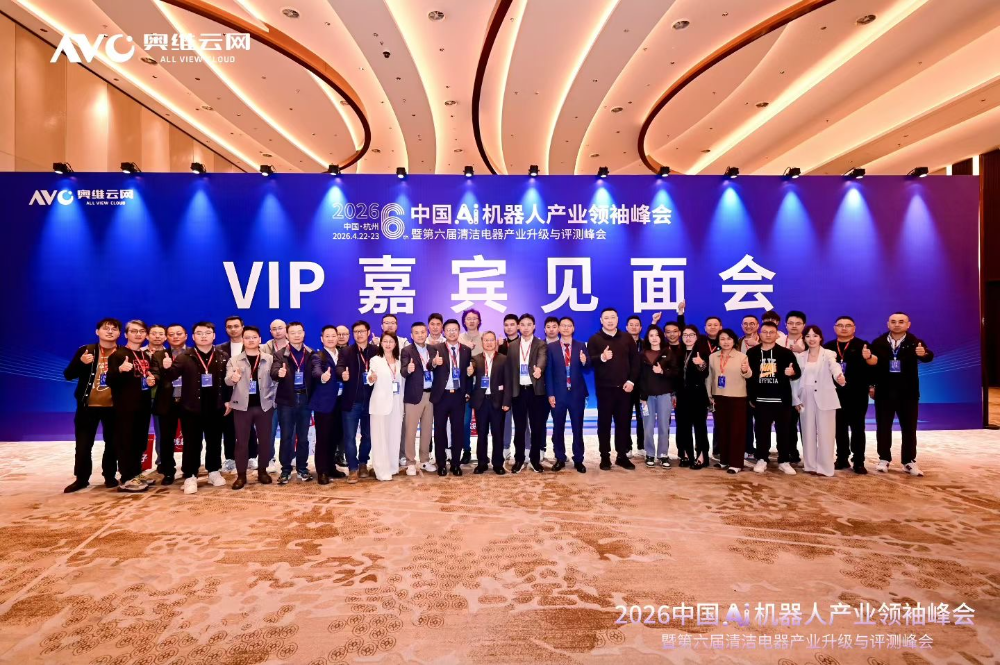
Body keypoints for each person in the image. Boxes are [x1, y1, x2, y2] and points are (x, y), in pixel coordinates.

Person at [161, 321, 231, 494]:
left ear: (214, 336)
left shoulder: (222, 356)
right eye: (199, 333)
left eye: (207, 333)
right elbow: (170, 377)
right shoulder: (185, 356)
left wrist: (228, 401)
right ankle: (190, 475)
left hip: (215, 407)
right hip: (191, 408)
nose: (203, 336)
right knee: (192, 443)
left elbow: (227, 382)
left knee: (214, 441)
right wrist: (166, 368)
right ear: (193, 337)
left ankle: (213, 471)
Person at [869, 312, 934, 476]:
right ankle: (884, 459)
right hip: (884, 392)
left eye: (901, 321)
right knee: (883, 427)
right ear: (888, 324)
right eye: (893, 321)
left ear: (908, 324)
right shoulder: (878, 343)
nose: (897, 324)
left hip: (908, 393)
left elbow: (928, 356)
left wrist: (924, 354)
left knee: (909, 428)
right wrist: (871, 386)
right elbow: (872, 367)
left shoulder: (915, 342)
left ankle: (909, 461)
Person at [63, 317, 122, 493]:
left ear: (119, 333)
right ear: (97, 332)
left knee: (112, 444)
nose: (110, 331)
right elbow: (68, 375)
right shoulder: (86, 350)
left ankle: (110, 476)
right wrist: (81, 363)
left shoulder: (123, 352)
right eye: (106, 328)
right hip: (87, 407)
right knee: (83, 445)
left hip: (114, 408)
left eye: (114, 329)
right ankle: (81, 479)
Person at [106, 320, 156, 493]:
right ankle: (126, 478)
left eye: (141, 331)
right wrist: (119, 370)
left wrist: (150, 380)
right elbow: (109, 380)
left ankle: (136, 473)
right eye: (134, 331)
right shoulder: (118, 355)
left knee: (139, 441)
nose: (138, 334)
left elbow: (143, 377)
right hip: (125, 406)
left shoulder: (144, 355)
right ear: (126, 334)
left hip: (143, 404)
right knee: (126, 441)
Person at [746, 321, 802, 475]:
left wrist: (792, 373)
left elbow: (797, 372)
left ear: (777, 334)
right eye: (765, 332)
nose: (768, 335)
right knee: (761, 431)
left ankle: (784, 460)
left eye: (771, 332)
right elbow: (748, 377)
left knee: (784, 431)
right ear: (760, 334)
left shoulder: (786, 353)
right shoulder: (752, 353)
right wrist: (751, 397)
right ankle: (762, 458)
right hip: (760, 401)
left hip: (781, 400)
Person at [587, 308, 639, 471]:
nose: (610, 320)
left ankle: (622, 456)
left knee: (623, 423)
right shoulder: (595, 339)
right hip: (604, 390)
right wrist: (602, 357)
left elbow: (635, 362)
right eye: (606, 318)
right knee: (604, 424)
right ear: (601, 320)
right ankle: (605, 457)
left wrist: (631, 381)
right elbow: (588, 362)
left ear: (617, 319)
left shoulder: (627, 338)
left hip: (624, 389)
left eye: (613, 317)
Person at [224, 326, 276, 489]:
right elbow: (227, 380)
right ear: (243, 340)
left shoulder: (269, 359)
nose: (251, 340)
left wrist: (273, 399)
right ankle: (241, 475)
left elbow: (276, 381)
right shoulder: (234, 360)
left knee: (265, 441)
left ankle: (262, 471)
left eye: (254, 337)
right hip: (242, 407)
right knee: (241, 442)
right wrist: (233, 378)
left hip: (264, 406)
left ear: (260, 339)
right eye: (247, 337)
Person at [825, 316, 876, 474]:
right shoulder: (828, 347)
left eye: (848, 325)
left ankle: (859, 461)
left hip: (857, 394)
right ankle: (841, 458)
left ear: (854, 328)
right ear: (835, 328)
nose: (844, 328)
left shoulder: (863, 345)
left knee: (858, 428)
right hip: (835, 393)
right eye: (840, 325)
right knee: (839, 427)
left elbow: (873, 365)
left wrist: (872, 385)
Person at [793, 325, 845, 477]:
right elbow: (795, 380)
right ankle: (810, 465)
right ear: (804, 339)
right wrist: (795, 399)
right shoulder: (800, 357)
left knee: (826, 433)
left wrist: (839, 376)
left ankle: (825, 467)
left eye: (815, 336)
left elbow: (834, 367)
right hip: (805, 397)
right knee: (807, 431)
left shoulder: (828, 354)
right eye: (808, 336)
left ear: (820, 338)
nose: (811, 339)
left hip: (825, 396)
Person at [270, 321, 315, 485]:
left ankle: (302, 468)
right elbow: (273, 371)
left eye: (299, 332)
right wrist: (278, 373)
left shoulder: (310, 353)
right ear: (287, 335)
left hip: (305, 400)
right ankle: (286, 469)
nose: (297, 335)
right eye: (293, 332)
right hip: (287, 401)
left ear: (304, 333)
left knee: (303, 437)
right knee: (286, 436)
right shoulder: (280, 354)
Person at [504, 313, 548, 473]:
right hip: (518, 392)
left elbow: (542, 358)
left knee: (536, 427)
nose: (526, 327)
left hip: (535, 392)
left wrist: (539, 369)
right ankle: (519, 459)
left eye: (529, 324)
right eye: (522, 324)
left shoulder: (540, 344)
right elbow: (509, 370)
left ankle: (535, 460)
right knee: (520, 428)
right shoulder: (513, 346)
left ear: (534, 326)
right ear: (518, 327)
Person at [545, 316, 589, 473]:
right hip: (558, 394)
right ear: (558, 328)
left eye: (569, 325)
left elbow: (588, 366)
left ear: (573, 328)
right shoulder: (551, 347)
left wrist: (584, 361)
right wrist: (550, 394)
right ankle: (560, 458)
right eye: (562, 325)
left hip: (576, 394)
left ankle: (578, 459)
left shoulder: (581, 345)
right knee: (558, 428)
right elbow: (548, 373)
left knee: (578, 428)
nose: (565, 328)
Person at [429, 319, 473, 476]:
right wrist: (434, 363)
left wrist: (468, 391)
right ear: (444, 331)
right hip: (441, 396)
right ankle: (441, 464)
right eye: (448, 330)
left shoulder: (466, 350)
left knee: (458, 430)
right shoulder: (436, 348)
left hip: (458, 395)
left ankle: (456, 464)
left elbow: (468, 374)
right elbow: (428, 366)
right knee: (440, 431)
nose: (452, 332)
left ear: (459, 331)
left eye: (455, 329)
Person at [706, 329, 752, 474]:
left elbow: (749, 375)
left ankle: (736, 463)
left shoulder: (742, 356)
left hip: (737, 397)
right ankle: (724, 460)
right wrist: (709, 394)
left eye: (729, 339)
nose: (726, 342)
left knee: (737, 431)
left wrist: (746, 370)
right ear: (718, 341)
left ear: (734, 341)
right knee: (722, 429)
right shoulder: (713, 357)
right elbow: (709, 377)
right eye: (722, 339)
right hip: (719, 397)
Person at [337, 320, 378, 483]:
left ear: (368, 332)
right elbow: (339, 367)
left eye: (362, 331)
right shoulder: (346, 351)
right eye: (356, 332)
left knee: (368, 436)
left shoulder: (376, 350)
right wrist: (342, 374)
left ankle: (363, 463)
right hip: (351, 401)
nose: (359, 334)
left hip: (372, 401)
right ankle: (353, 468)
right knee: (349, 437)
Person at [148, 323, 187, 485]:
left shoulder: (192, 354)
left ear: (186, 336)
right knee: (166, 439)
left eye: (179, 333)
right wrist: (154, 377)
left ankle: (189, 469)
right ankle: (168, 471)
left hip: (188, 402)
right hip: (167, 401)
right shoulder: (159, 355)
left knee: (191, 437)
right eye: (171, 334)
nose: (175, 337)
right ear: (167, 337)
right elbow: (155, 373)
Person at [638, 325, 680, 468]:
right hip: (647, 397)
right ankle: (649, 453)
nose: (654, 338)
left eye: (657, 335)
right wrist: (642, 396)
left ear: (661, 337)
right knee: (648, 427)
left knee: (664, 425)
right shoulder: (642, 355)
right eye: (651, 335)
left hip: (664, 394)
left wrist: (663, 371)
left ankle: (663, 454)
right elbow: (639, 377)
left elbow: (676, 372)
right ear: (647, 338)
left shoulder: (668, 352)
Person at [367, 331, 404, 481]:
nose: (388, 344)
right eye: (385, 341)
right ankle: (381, 470)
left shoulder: (399, 361)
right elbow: (370, 376)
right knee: (380, 438)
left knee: (394, 436)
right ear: (381, 343)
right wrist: (371, 378)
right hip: (380, 404)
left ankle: (392, 467)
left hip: (396, 403)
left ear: (395, 344)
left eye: (391, 341)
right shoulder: (376, 360)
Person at [310, 325, 345, 484]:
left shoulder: (342, 354)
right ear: (322, 338)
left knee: (335, 437)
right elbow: (316, 370)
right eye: (327, 336)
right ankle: (322, 471)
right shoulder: (318, 355)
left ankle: (331, 467)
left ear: (338, 337)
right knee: (323, 438)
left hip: (340, 403)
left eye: (333, 335)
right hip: (324, 404)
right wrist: (322, 377)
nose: (331, 339)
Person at [471, 331, 509, 474]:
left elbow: (508, 382)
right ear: (482, 342)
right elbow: (469, 378)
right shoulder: (475, 359)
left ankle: (498, 464)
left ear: (496, 342)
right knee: (481, 434)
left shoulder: (504, 359)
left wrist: (506, 401)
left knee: (497, 433)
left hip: (498, 402)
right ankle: (482, 463)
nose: (489, 343)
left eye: (491, 340)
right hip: (481, 402)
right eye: (486, 340)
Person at [401, 322, 436, 474]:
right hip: (414, 396)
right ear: (412, 335)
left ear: (426, 333)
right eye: (417, 332)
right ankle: (410, 462)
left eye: (422, 332)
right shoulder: (407, 350)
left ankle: (424, 460)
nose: (420, 335)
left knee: (427, 430)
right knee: (410, 431)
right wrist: (408, 369)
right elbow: (403, 371)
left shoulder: (433, 349)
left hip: (431, 395)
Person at [218, 315, 251, 474]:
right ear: (226, 329)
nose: (233, 329)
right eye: (229, 327)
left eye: (236, 326)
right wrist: (225, 399)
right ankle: (230, 458)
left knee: (249, 428)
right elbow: (219, 377)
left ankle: (252, 456)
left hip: (249, 394)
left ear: (242, 327)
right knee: (228, 428)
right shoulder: (219, 349)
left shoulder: (252, 345)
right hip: (229, 395)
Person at [675, 325, 710, 469]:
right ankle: (687, 454)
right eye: (685, 335)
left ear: (697, 337)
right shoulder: (679, 353)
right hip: (682, 396)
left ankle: (702, 456)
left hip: (698, 395)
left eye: (691, 335)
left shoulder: (702, 352)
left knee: (700, 427)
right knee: (684, 426)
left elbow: (705, 373)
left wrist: (701, 364)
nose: (688, 338)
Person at [458, 308, 484, 465]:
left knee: (483, 421)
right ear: (464, 321)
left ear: (479, 321)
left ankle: (482, 452)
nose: (472, 321)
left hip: (482, 385)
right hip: (465, 385)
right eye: (468, 318)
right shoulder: (459, 338)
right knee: (465, 421)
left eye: (475, 318)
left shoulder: (486, 337)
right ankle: (466, 450)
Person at [498, 313, 522, 460]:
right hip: (505, 389)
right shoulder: (500, 345)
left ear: (518, 326)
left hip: (521, 388)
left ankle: (524, 449)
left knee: (522, 422)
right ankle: (505, 448)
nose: (509, 327)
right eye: (506, 325)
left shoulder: (524, 343)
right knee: (505, 420)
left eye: (512, 324)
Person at [145, 324, 167, 475]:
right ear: (147, 336)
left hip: (161, 397)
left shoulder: (169, 354)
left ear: (165, 337)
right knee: (138, 432)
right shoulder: (138, 353)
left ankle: (162, 461)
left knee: (162, 432)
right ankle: (137, 463)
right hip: (141, 397)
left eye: (161, 334)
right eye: (154, 333)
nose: (157, 336)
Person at [738, 314, 761, 462]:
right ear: (741, 326)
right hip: (742, 386)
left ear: (757, 325)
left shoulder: (765, 341)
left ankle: (762, 451)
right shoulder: (738, 342)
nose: (748, 326)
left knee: (761, 421)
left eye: (752, 323)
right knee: (744, 420)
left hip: (760, 386)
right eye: (745, 324)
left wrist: (757, 345)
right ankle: (748, 448)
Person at [625, 315, 646, 454]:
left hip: (643, 386)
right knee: (625, 416)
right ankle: (627, 447)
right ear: (626, 327)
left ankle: (642, 446)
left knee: (642, 416)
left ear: (641, 327)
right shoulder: (621, 344)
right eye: (631, 324)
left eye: (636, 324)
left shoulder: (645, 344)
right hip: (626, 385)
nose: (634, 327)